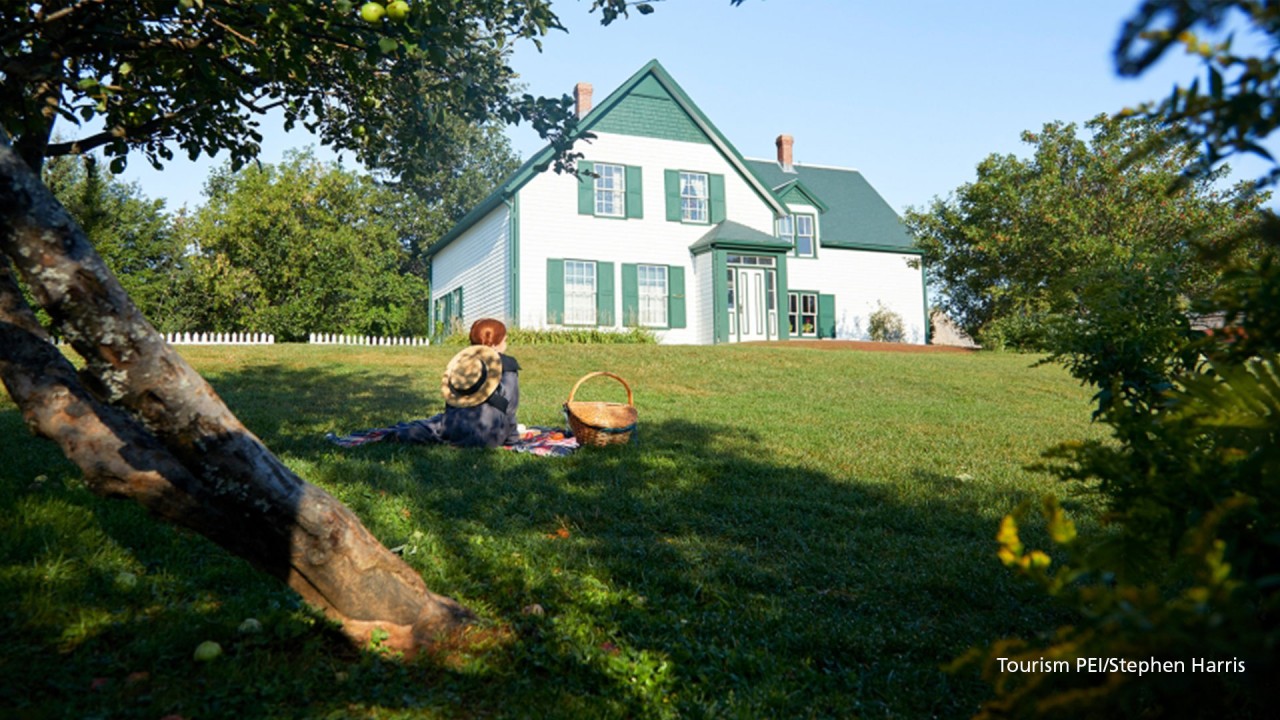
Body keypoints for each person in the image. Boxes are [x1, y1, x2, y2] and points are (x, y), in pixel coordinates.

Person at [437, 318, 522, 448]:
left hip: (454, 429)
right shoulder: (507, 365)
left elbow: (452, 401)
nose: (506, 344)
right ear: (494, 344)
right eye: (504, 340)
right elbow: (510, 408)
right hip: (489, 434)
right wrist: (513, 438)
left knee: (424, 426)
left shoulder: (462, 363)